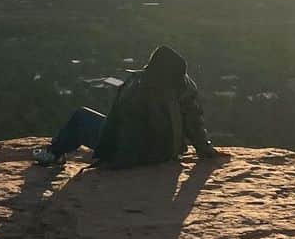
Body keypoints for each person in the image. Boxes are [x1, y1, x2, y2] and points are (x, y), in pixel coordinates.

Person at [32, 44, 220, 167]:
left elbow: (125, 130)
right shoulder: (184, 85)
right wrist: (206, 149)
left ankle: (54, 153)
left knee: (81, 117)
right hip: (167, 152)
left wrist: (112, 162)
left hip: (141, 155)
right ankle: (57, 151)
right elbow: (194, 122)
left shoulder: (138, 86)